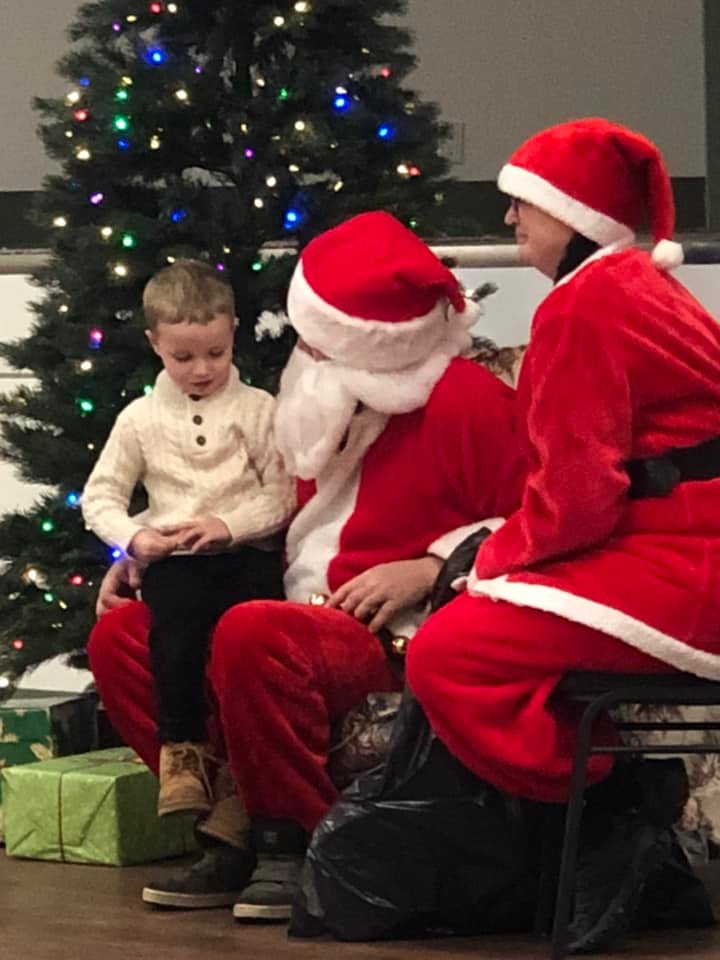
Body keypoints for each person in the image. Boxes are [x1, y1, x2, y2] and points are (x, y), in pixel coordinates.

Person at [88, 210, 525, 919]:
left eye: (318, 343)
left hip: (391, 629)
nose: (305, 355)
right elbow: (249, 504)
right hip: (289, 598)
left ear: (367, 345)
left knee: (255, 633)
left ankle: (291, 840)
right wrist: (144, 552)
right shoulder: (310, 406)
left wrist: (431, 566)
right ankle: (229, 828)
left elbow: (537, 520)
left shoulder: (466, 401)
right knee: (123, 638)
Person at [406, 117, 720, 952]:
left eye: (527, 203)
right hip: (681, 543)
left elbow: (579, 498)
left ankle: (617, 809)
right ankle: (622, 819)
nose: (510, 217)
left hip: (687, 561)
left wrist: (493, 557)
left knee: (448, 655)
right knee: (482, 626)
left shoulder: (587, 305)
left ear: (576, 211)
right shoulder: (638, 287)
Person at [82, 259, 294, 819]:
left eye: (216, 353)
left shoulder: (258, 409)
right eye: (183, 357)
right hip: (176, 561)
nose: (202, 370)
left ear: (234, 333)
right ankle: (183, 751)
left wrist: (229, 525)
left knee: (249, 644)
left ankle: (248, 768)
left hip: (248, 556)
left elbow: (283, 495)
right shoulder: (139, 419)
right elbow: (100, 496)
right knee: (174, 628)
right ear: (155, 344)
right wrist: (135, 538)